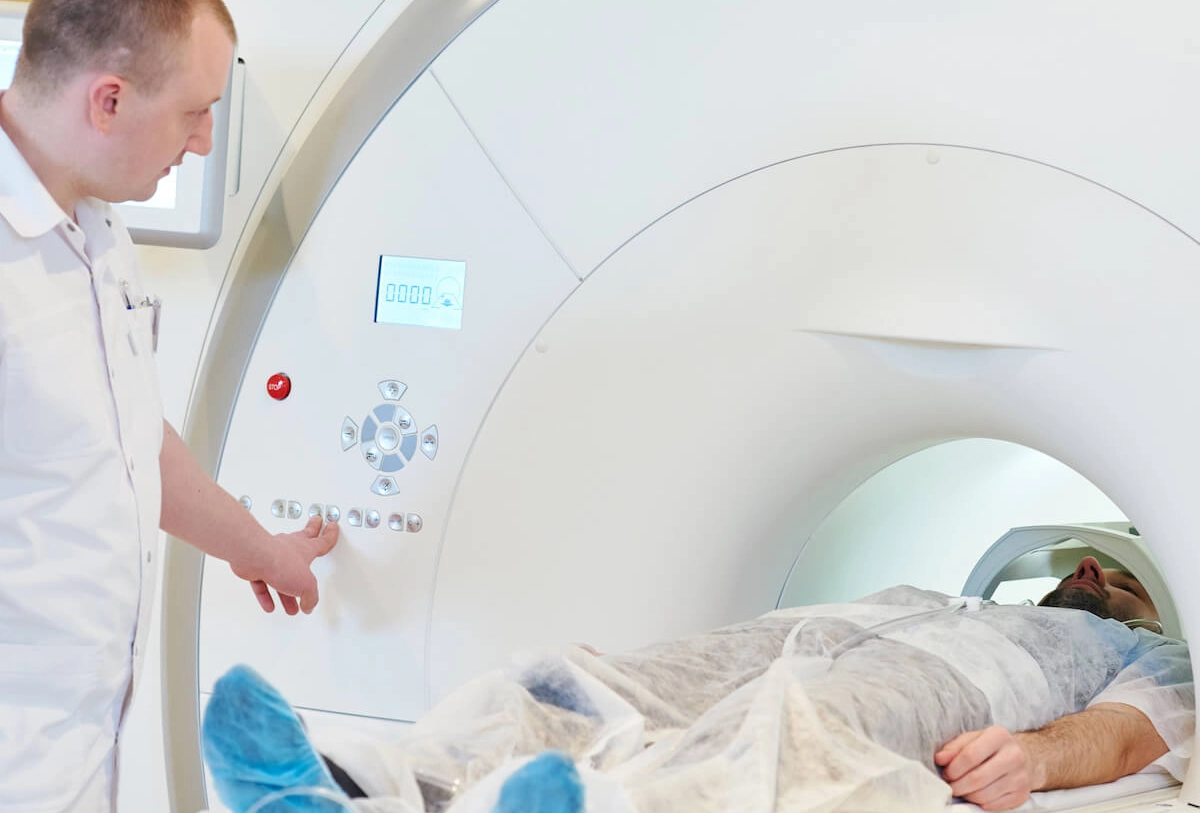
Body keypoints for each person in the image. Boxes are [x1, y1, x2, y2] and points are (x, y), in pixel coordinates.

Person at [0, 2, 338, 810]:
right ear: (108, 101)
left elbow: (128, 438)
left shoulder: (97, 225)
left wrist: (258, 547)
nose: (206, 141)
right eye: (195, 112)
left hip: (76, 758)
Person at [200, 555, 1193, 813]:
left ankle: (608, 807)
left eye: (1112, 577)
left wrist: (1029, 757)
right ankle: (361, 785)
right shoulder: (936, 581)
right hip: (832, 624)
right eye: (1086, 571)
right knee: (605, 681)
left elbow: (1127, 737)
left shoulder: (1145, 653)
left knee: (803, 731)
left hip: (962, 683)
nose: (1090, 578)